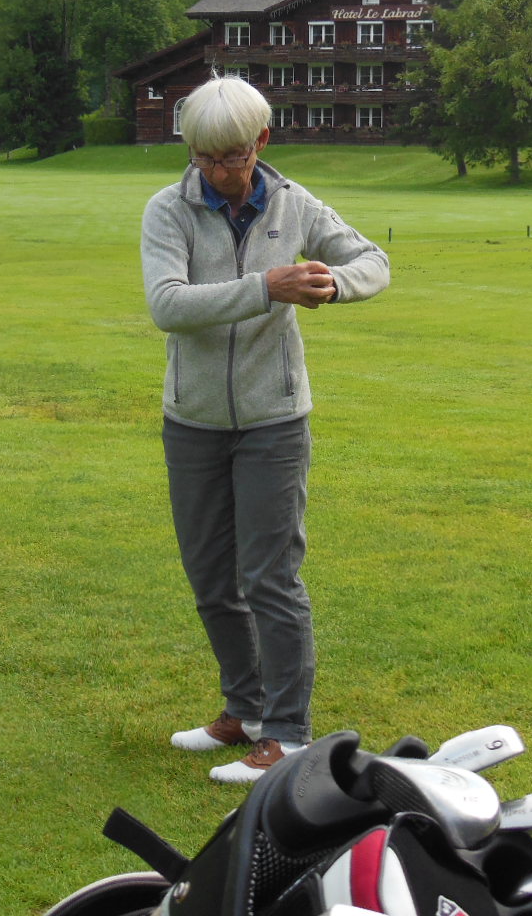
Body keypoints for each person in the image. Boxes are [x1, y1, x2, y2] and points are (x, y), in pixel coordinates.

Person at [141, 75, 390, 784]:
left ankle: (287, 733)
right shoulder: (168, 211)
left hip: (275, 421)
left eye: (234, 157)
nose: (220, 173)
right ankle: (243, 711)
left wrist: (333, 285)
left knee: (270, 577)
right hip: (191, 420)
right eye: (206, 159)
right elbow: (168, 305)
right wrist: (266, 289)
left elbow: (374, 260)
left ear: (262, 143)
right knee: (212, 578)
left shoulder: (294, 203)